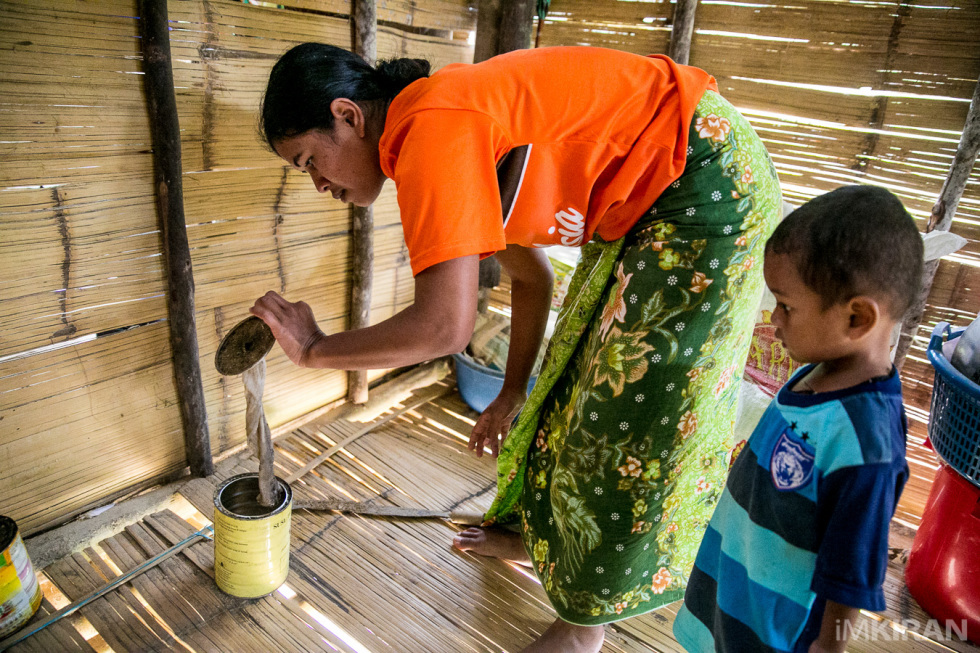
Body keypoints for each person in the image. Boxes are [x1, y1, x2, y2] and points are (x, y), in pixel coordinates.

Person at [251, 42, 782, 652]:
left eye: (309, 160)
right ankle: (541, 536)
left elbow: (443, 327)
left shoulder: (432, 126)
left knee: (629, 408)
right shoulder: (439, 126)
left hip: (702, 183)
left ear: (348, 116)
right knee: (576, 369)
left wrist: (315, 348)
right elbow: (532, 278)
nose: (318, 183)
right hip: (659, 194)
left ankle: (585, 626)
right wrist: (509, 392)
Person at [672, 185, 924, 653]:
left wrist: (827, 648)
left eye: (786, 305)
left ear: (856, 319)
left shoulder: (866, 445)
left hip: (774, 634)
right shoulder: (813, 375)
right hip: (729, 600)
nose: (774, 317)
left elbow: (850, 572)